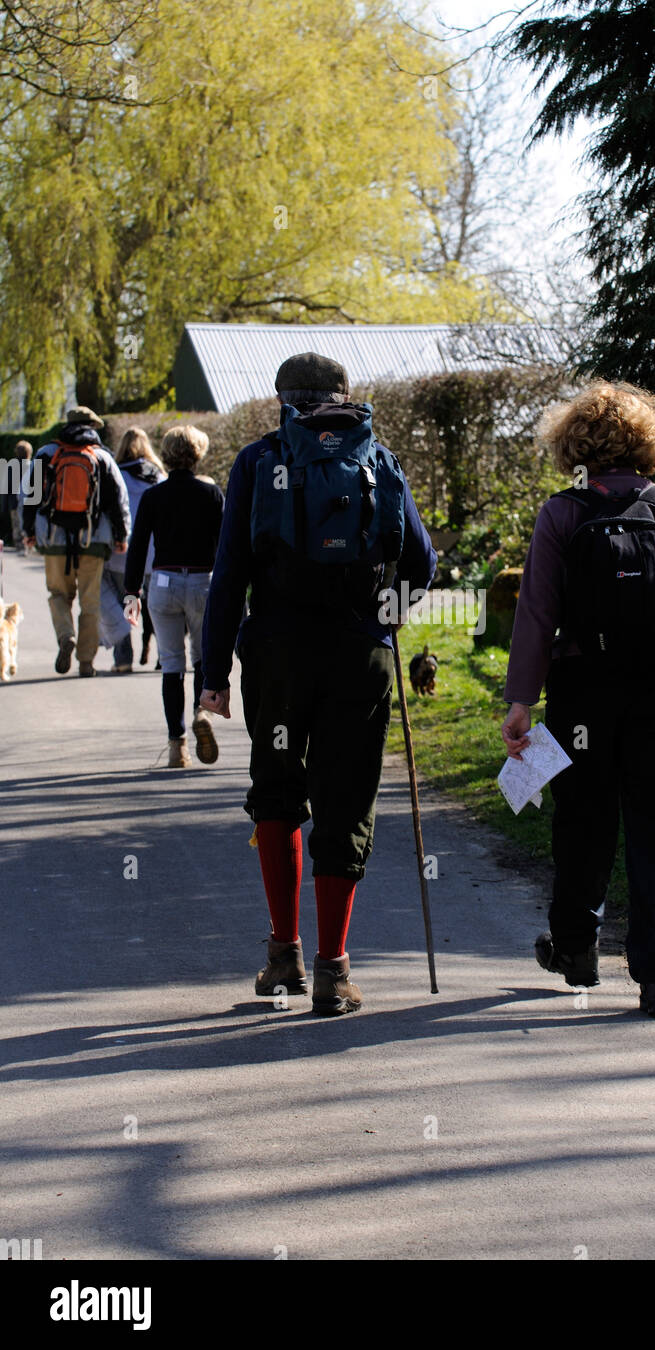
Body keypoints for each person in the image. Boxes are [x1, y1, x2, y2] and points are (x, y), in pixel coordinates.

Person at [199, 352, 436, 1017]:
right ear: (343, 395)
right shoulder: (377, 459)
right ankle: (334, 970)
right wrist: (380, 618)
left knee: (276, 794)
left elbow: (229, 576)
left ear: (279, 399)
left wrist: (213, 676)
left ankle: (283, 958)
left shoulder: (255, 462)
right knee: (347, 799)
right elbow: (420, 561)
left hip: (276, 652)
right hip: (358, 656)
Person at [501, 379, 655, 1018]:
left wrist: (521, 699)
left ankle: (576, 951)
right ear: (648, 442)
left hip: (583, 697)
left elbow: (535, 613)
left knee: (584, 821)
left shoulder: (562, 513)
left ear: (573, 444)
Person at [124, 425, 224, 768]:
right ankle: (202, 714)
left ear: (165, 455)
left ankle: (176, 747)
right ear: (197, 454)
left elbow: (137, 547)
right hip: (201, 582)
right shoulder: (211, 496)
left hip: (163, 582)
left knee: (170, 664)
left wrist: (131, 592)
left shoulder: (153, 497)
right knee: (201, 657)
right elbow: (227, 547)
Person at [21, 406, 130, 677]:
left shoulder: (46, 454)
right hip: (93, 540)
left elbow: (30, 497)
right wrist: (121, 535)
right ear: (92, 426)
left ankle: (65, 636)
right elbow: (118, 500)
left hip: (54, 539)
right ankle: (86, 662)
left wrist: (29, 531)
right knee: (90, 603)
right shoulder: (101, 456)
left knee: (58, 594)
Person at [99, 429, 164, 673]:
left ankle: (124, 658)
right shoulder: (159, 476)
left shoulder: (116, 474)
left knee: (123, 602)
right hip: (154, 553)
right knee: (154, 607)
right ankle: (164, 655)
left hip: (122, 552)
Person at [9, 440, 33, 549]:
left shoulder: (12, 466)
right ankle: (28, 543)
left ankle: (19, 544)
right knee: (27, 521)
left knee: (16, 525)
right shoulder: (31, 465)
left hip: (14, 500)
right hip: (30, 499)